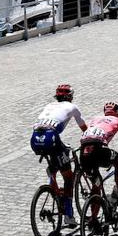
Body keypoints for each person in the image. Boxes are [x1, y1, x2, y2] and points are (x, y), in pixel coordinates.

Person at [32, 84, 88, 222]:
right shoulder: (72, 107)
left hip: (35, 139)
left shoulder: (49, 105)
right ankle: (68, 214)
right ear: (70, 97)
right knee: (68, 177)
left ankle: (53, 179)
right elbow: (84, 129)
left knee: (57, 160)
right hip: (51, 139)